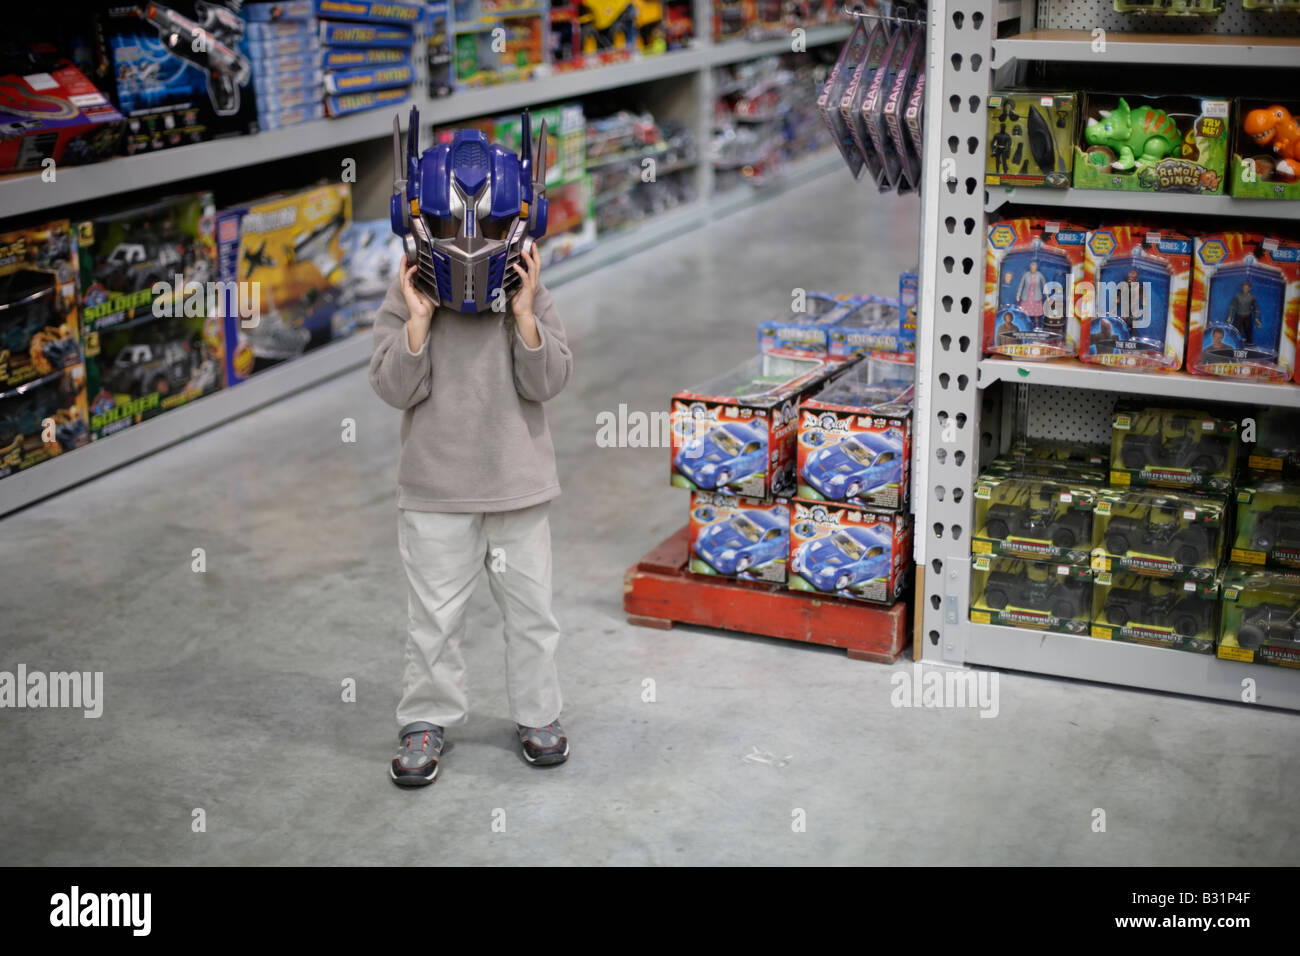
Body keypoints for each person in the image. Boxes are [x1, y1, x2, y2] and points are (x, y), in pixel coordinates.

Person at [369, 241, 574, 787]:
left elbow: (548, 381)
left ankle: (538, 713)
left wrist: (525, 312)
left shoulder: (523, 287)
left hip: (518, 487)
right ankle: (426, 715)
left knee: (532, 613)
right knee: (433, 619)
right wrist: (418, 322)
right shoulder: (412, 287)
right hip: (436, 490)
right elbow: (393, 387)